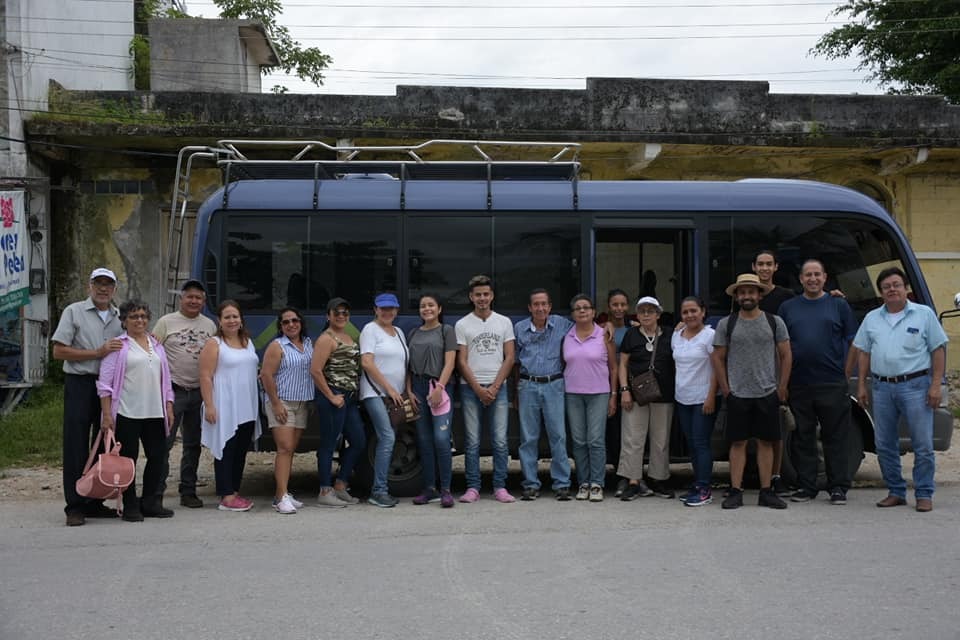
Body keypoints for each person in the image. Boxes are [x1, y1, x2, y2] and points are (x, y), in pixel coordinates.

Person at [854, 267, 948, 513]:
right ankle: (895, 491)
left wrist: (936, 385)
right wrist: (862, 384)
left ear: (905, 287)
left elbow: (938, 350)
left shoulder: (924, 314)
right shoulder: (872, 318)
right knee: (884, 443)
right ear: (881, 292)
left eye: (896, 284)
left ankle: (924, 493)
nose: (892, 289)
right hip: (882, 387)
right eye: (886, 287)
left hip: (916, 386)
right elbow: (863, 352)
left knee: (922, 443)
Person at [778, 259, 858, 505]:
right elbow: (781, 347)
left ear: (825, 278)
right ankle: (806, 486)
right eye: (808, 275)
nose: (812, 279)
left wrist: (845, 372)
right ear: (801, 279)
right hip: (799, 383)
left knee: (835, 437)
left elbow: (853, 340)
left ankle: (838, 487)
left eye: (817, 274)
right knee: (803, 437)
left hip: (832, 383)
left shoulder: (838, 305)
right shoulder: (787, 308)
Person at [51, 267, 124, 527]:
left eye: (108, 284)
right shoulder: (74, 311)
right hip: (81, 382)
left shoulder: (119, 317)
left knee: (103, 443)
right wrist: (97, 352)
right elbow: (59, 352)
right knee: (76, 445)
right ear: (89, 286)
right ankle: (75, 505)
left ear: (115, 289)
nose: (103, 288)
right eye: (98, 283)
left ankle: (95, 501)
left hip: (108, 387)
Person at [712, 274, 791, 510]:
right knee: (737, 444)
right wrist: (726, 389)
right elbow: (718, 358)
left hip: (767, 392)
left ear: (759, 295)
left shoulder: (774, 321)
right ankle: (736, 491)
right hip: (738, 394)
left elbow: (786, 355)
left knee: (767, 443)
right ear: (737, 296)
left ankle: (766, 491)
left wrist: (782, 387)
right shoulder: (727, 324)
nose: (747, 296)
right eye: (742, 292)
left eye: (751, 291)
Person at [97, 300, 175, 522]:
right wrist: (107, 415)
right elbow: (105, 384)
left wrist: (169, 405)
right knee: (127, 461)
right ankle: (130, 504)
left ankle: (150, 502)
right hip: (127, 412)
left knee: (157, 457)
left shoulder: (156, 345)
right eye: (133, 316)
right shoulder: (118, 346)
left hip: (155, 412)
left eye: (143, 316)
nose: (139, 320)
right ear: (124, 321)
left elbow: (166, 380)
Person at [152, 279, 216, 510]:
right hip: (173, 392)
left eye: (198, 297)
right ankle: (156, 493)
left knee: (193, 445)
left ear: (204, 301)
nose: (193, 301)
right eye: (189, 296)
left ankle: (188, 491)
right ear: (182, 298)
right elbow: (151, 352)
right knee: (164, 444)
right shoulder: (165, 322)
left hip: (199, 393)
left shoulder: (210, 325)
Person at [455, 274, 516, 504]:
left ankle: (500, 486)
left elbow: (509, 357)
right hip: (470, 388)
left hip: (498, 386)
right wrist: (478, 389)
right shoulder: (462, 324)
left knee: (500, 440)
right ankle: (473, 487)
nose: (482, 298)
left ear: (492, 296)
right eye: (478, 295)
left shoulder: (504, 322)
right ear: (471, 297)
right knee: (472, 441)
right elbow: (461, 361)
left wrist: (495, 386)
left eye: (486, 294)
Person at [199, 300, 261, 512]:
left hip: (246, 405)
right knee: (226, 448)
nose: (232, 320)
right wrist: (209, 405)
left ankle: (234, 491)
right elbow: (205, 376)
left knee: (240, 450)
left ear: (241, 319)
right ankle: (226, 495)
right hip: (224, 403)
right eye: (227, 317)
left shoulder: (247, 342)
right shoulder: (215, 344)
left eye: (235, 316)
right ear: (220, 320)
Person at [514, 289, 573, 501]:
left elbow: (588, 327)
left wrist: (609, 325)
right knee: (528, 438)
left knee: (558, 436)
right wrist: (515, 392)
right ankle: (530, 484)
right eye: (536, 304)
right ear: (530, 308)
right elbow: (515, 362)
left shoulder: (562, 324)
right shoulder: (519, 328)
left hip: (554, 384)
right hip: (527, 385)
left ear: (549, 307)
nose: (540, 308)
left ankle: (562, 484)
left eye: (544, 304)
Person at [617, 296, 676, 500]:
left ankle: (657, 479)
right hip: (635, 395)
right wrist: (624, 389)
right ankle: (633, 481)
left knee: (660, 440)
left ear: (658, 314)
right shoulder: (631, 335)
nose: (646, 315)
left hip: (664, 394)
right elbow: (622, 364)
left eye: (650, 311)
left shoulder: (670, 334)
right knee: (633, 437)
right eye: (642, 311)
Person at [311, 298, 365, 508]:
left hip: (349, 399)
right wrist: (331, 396)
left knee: (359, 441)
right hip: (333, 397)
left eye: (345, 313)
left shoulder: (347, 337)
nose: (341, 316)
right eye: (337, 313)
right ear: (328, 316)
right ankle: (325, 490)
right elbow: (315, 371)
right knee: (328, 444)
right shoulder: (326, 339)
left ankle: (341, 485)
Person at [259, 307, 313, 515]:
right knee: (284, 448)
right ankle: (280, 497)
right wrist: (275, 403)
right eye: (286, 322)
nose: (291, 325)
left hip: (302, 403)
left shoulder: (308, 344)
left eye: (295, 321)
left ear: (301, 323)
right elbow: (266, 375)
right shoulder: (277, 346)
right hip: (282, 403)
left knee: (291, 449)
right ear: (280, 326)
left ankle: (284, 492)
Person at [563, 294, 617, 502]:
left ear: (594, 312)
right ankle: (583, 482)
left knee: (595, 440)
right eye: (578, 308)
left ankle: (597, 483)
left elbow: (613, 367)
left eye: (586, 307)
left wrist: (613, 396)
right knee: (578, 440)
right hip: (573, 394)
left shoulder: (604, 335)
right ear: (573, 314)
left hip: (599, 394)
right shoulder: (567, 336)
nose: (582, 311)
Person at [405, 294, 457, 508]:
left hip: (440, 388)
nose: (427, 309)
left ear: (439, 308)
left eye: (431, 305)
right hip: (417, 387)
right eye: (422, 306)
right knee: (424, 440)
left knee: (441, 439)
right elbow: (407, 365)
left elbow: (450, 362)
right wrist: (408, 390)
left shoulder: (447, 331)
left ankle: (446, 489)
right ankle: (429, 488)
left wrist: (440, 388)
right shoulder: (413, 333)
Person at [359, 292, 408, 508]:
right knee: (387, 437)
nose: (387, 312)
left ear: (396, 311)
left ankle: (380, 489)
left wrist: (407, 391)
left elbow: (405, 364)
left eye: (391, 308)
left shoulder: (398, 332)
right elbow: (367, 363)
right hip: (374, 393)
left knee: (390, 437)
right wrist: (388, 388)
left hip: (394, 397)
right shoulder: (370, 330)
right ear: (375, 310)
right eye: (383, 308)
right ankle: (378, 491)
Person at [752, 250, 794, 496]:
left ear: (776, 267)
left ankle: (775, 476)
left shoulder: (787, 298)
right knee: (749, 432)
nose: (765, 268)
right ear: (754, 267)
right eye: (761, 264)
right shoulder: (745, 296)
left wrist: (783, 382)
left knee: (774, 429)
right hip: (749, 372)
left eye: (769, 264)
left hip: (775, 369)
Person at [671, 296, 717, 507]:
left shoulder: (710, 336)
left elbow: (717, 368)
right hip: (683, 398)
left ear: (703, 312)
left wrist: (711, 397)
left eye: (693, 311)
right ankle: (697, 484)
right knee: (692, 444)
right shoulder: (677, 335)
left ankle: (704, 487)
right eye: (685, 312)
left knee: (701, 443)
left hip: (703, 398)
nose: (689, 315)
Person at [605, 288, 632, 498]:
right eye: (615, 304)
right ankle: (617, 472)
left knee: (629, 433)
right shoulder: (602, 331)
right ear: (608, 307)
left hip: (631, 389)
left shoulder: (635, 329)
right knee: (613, 433)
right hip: (606, 387)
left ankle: (628, 475)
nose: (619, 309)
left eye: (623, 304)